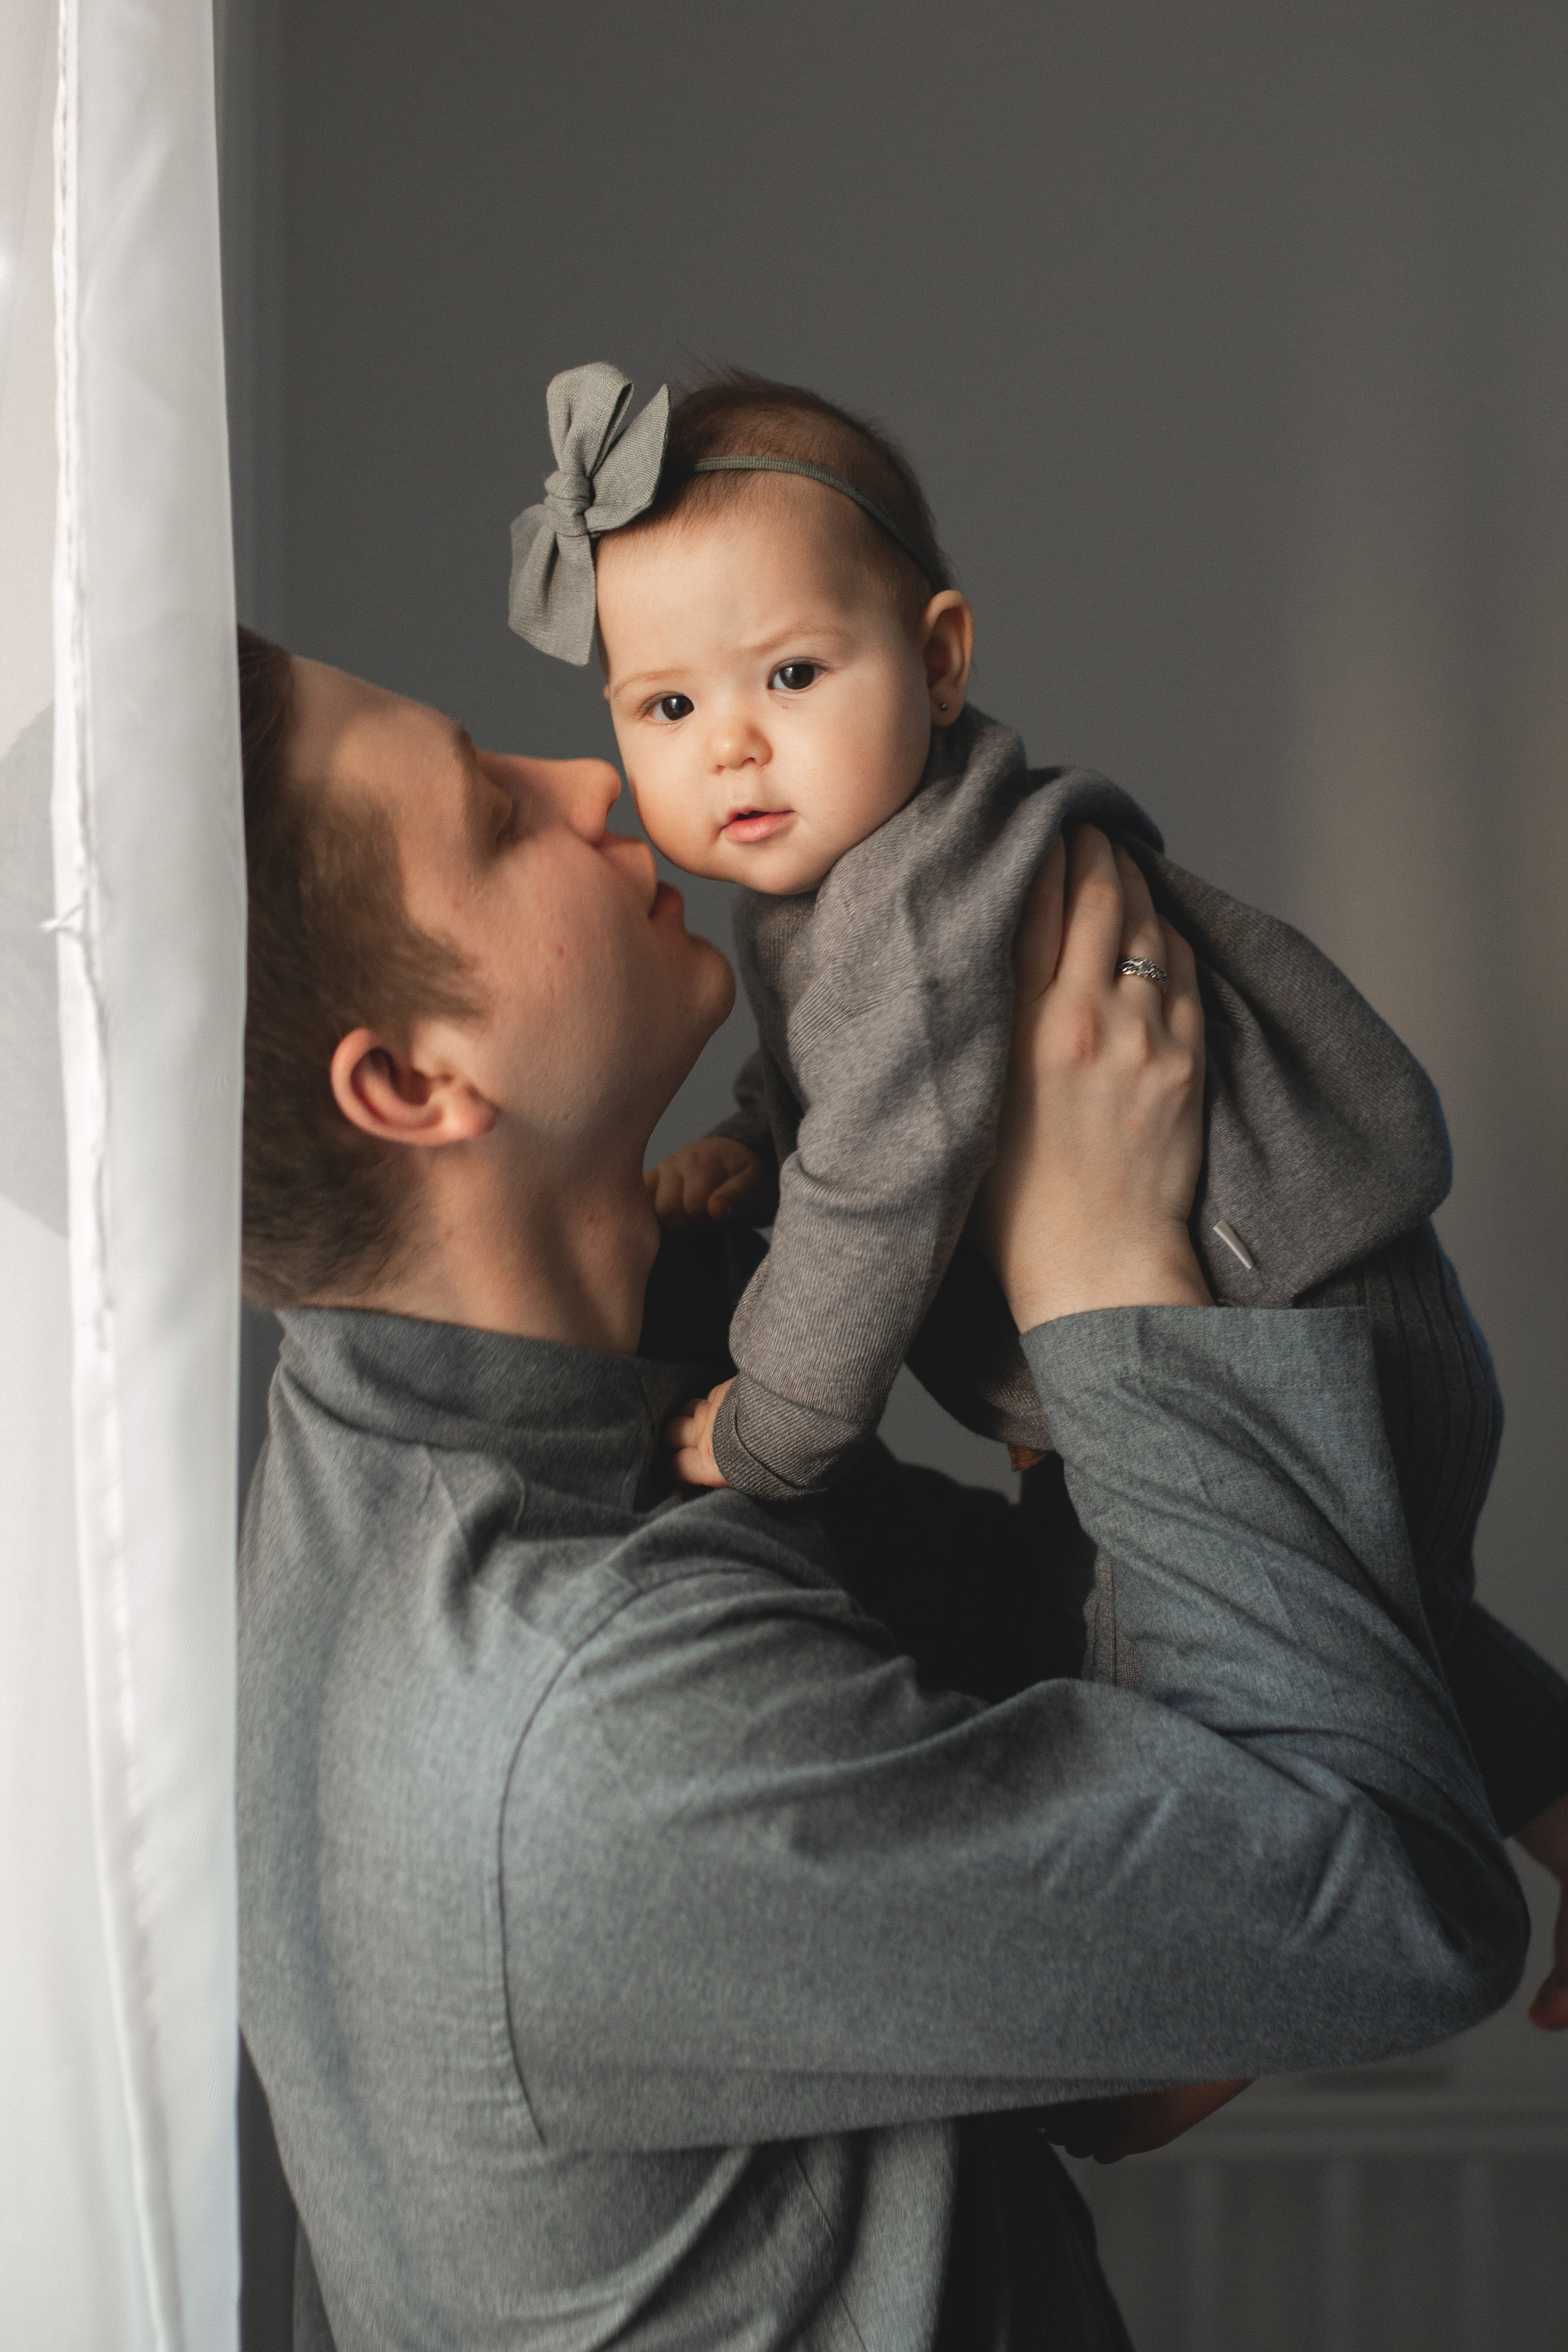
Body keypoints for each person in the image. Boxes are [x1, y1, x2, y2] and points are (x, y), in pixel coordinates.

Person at [236, 624, 1536, 2351]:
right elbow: (1394, 1900)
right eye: (490, 813)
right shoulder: (580, 1719)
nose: (592, 776)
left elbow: (1060, 1668)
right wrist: (1105, 1269)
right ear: (412, 1085)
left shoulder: (517, 1422)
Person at [509, 362, 1568, 1913]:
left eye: (790, 677)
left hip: (1289, 1338)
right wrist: (752, 1136)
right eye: (668, 707)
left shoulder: (921, 907)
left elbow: (879, 1183)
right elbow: (866, 1091)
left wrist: (776, 1426)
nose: (731, 745)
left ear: (936, 662)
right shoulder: (856, 884)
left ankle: (1199, 2039)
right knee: (1386, 1622)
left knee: (1180, 1710)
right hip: (1301, 1317)